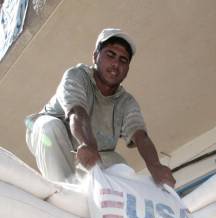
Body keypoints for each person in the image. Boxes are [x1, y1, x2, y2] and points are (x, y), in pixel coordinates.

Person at [25, 28, 175, 186]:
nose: (116, 64)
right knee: (50, 127)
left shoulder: (126, 102)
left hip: (93, 150)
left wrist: (156, 166)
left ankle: (105, 204)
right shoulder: (77, 75)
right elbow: (77, 112)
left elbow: (140, 136)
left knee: (120, 167)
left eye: (123, 60)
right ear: (95, 56)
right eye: (110, 55)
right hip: (54, 138)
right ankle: (60, 193)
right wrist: (88, 145)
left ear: (127, 69)